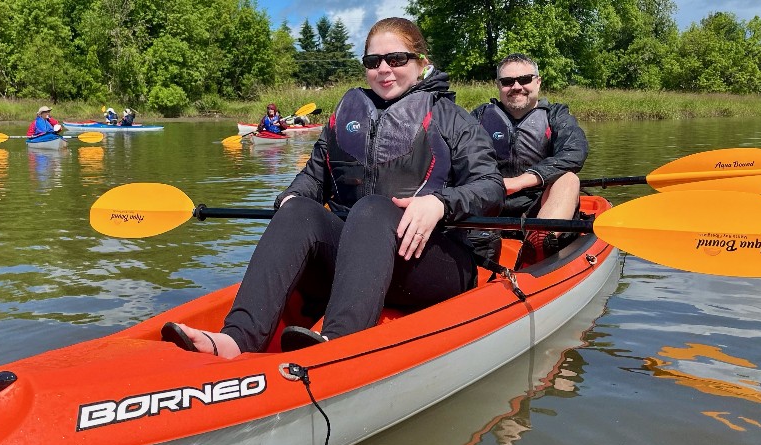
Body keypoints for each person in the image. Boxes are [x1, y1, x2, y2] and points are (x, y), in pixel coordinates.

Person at [161, 17, 504, 359]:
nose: (384, 69)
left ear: (421, 63)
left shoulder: (453, 118)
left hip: (427, 262)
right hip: (357, 262)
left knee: (372, 208)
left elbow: (491, 188)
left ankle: (338, 343)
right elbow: (313, 178)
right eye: (373, 61)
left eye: (396, 59)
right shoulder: (346, 115)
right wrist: (292, 197)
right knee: (297, 209)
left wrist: (440, 203)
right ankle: (237, 338)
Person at [469, 53, 588, 265]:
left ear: (538, 82)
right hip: (490, 203)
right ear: (498, 85)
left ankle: (539, 242)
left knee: (569, 179)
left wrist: (519, 181)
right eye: (507, 81)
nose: (516, 87)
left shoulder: (556, 115)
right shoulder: (479, 117)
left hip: (539, 205)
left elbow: (574, 152)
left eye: (524, 79)